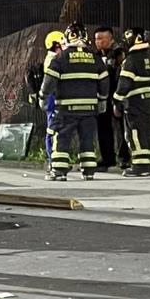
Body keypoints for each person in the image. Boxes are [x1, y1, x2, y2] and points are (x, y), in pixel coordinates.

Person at [38, 22, 109, 181]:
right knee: (87, 139)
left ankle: (59, 171)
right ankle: (89, 171)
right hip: (89, 109)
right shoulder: (95, 59)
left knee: (62, 138)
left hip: (65, 109)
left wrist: (42, 97)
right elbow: (104, 81)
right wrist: (102, 100)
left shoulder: (60, 58)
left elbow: (49, 81)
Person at [114, 27, 150, 177]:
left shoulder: (131, 61)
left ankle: (139, 166)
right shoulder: (149, 57)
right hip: (148, 100)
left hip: (135, 102)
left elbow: (124, 84)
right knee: (145, 132)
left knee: (135, 133)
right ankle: (149, 163)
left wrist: (116, 101)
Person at [26, 30, 64, 178]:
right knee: (53, 130)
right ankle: (53, 159)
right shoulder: (53, 60)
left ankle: (56, 160)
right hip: (53, 100)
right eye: (62, 42)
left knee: (55, 130)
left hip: (54, 100)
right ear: (56, 44)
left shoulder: (55, 59)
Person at [94, 26, 130, 170]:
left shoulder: (119, 54)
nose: (99, 42)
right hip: (101, 97)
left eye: (103, 38)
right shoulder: (95, 56)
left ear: (111, 39)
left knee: (122, 128)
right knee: (103, 127)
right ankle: (107, 158)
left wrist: (118, 98)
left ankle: (124, 158)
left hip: (117, 95)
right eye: (97, 39)